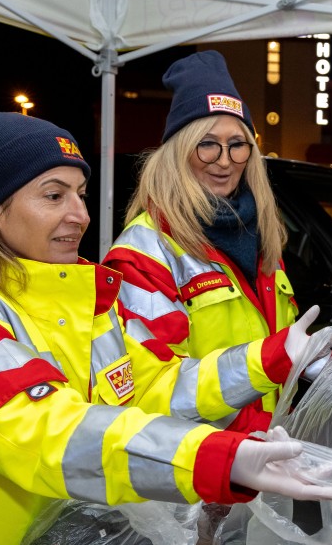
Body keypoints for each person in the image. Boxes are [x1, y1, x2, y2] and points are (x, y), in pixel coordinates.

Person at [0, 111, 332, 545]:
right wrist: (215, 459)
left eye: (80, 194)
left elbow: (151, 393)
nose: (79, 214)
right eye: (53, 195)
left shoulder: (88, 303)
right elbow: (48, 431)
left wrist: (266, 366)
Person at [103, 50, 299, 436]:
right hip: (195, 473)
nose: (224, 161)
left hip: (264, 458)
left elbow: (278, 350)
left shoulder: (261, 236)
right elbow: (154, 388)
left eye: (237, 144)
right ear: (179, 152)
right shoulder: (144, 253)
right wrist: (259, 432)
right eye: (207, 144)